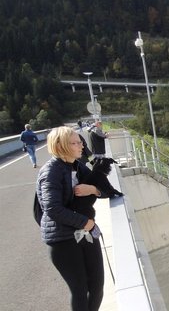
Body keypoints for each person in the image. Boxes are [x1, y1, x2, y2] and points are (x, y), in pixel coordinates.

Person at [36, 126, 107, 311]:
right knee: (80, 291)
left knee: (97, 287)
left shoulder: (78, 166)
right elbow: (52, 209)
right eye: (75, 143)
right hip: (63, 239)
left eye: (80, 142)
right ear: (61, 146)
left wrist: (93, 190)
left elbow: (104, 187)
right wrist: (85, 222)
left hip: (86, 233)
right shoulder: (51, 172)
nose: (81, 146)